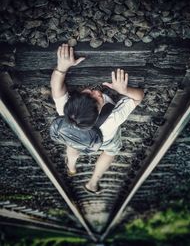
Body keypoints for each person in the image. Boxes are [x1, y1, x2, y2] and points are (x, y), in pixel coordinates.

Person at [50, 43, 144, 194]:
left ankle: (71, 167)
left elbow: (56, 87)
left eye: (89, 94)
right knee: (111, 151)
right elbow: (139, 97)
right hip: (105, 140)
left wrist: (61, 67)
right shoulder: (112, 119)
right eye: (97, 100)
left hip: (74, 135)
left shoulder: (64, 109)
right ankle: (93, 182)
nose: (96, 93)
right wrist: (124, 90)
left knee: (72, 144)